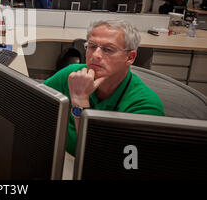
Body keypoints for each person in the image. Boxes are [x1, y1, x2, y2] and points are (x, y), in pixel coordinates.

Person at [43, 20, 165, 156]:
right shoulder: (71, 74)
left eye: (108, 49)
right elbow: (33, 103)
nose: (95, 55)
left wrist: (80, 101)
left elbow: (102, 160)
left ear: (130, 57)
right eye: (92, 46)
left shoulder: (145, 106)